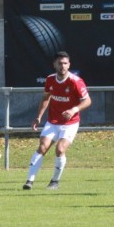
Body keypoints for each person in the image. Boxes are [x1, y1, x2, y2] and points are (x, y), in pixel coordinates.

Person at [23, 51, 91, 190]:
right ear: (54, 64)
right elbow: (46, 98)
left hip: (70, 124)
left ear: (69, 65)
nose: (63, 66)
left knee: (60, 149)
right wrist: (39, 116)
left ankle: (55, 182)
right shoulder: (50, 80)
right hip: (53, 121)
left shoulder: (76, 81)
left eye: (65, 63)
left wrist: (73, 110)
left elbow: (87, 101)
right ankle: (29, 181)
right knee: (42, 147)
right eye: (60, 63)